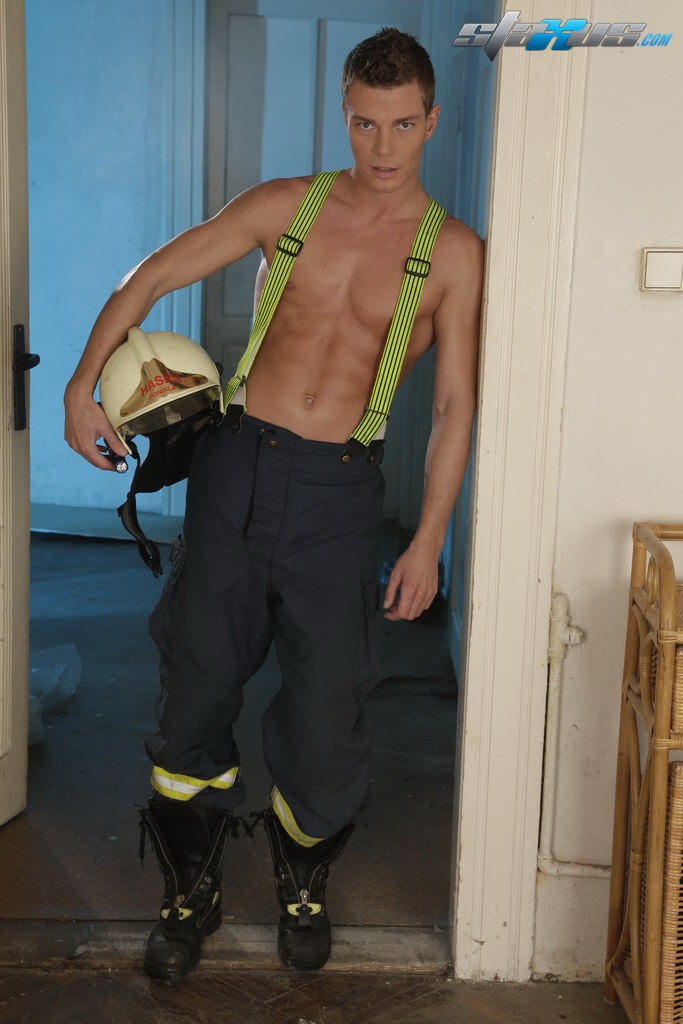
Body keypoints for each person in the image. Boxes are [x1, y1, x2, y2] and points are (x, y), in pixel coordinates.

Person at [63, 27, 483, 982]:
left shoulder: (454, 254)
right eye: (364, 124)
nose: (382, 147)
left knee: (329, 706)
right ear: (344, 114)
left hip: (340, 491)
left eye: (401, 125)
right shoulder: (284, 205)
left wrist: (428, 540)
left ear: (431, 121)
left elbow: (455, 404)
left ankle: (302, 881)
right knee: (197, 682)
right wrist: (81, 385)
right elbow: (151, 275)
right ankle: (190, 886)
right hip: (238, 468)